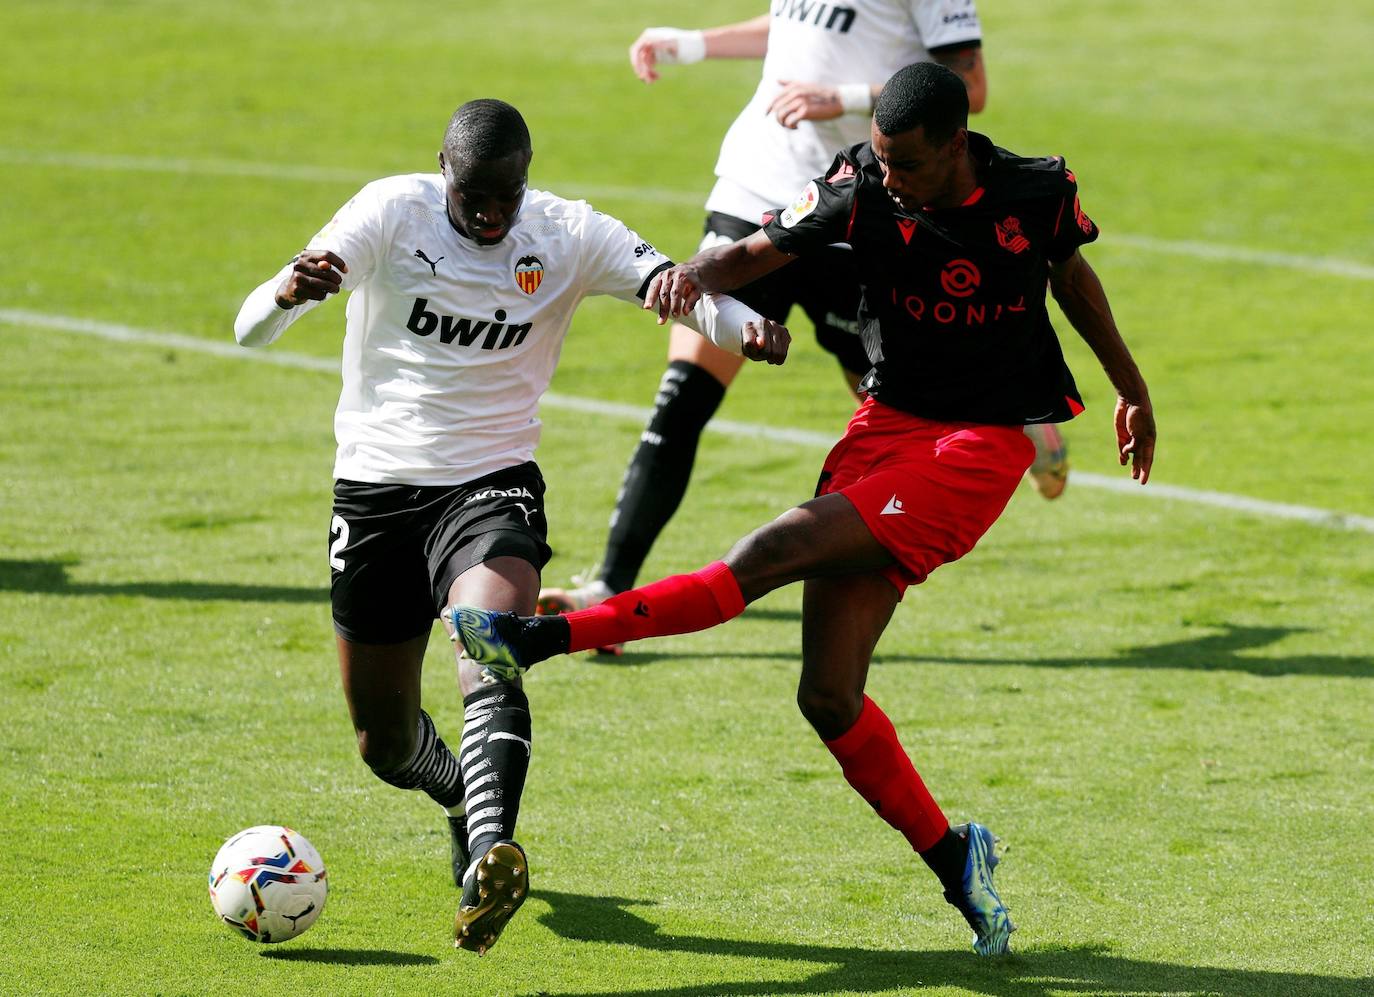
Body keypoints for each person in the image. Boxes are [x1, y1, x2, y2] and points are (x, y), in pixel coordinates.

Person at [452, 63, 1156, 956]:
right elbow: (758, 251)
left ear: (952, 145)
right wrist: (685, 275)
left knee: (774, 547)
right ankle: (956, 861)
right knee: (827, 695)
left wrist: (1131, 390)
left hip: (976, 449)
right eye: (881, 158)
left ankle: (542, 639)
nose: (884, 172)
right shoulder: (863, 183)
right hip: (884, 428)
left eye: (902, 160)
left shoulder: (1035, 190)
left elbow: (1073, 280)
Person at [232, 99, 787, 955]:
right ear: (444, 172)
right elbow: (249, 332)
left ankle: (491, 851)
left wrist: (745, 328)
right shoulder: (390, 210)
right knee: (383, 741)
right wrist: (283, 293)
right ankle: (461, 798)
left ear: (528, 180)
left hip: (492, 486)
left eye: (508, 196)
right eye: (477, 197)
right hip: (376, 493)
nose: (493, 214)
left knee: (487, 636)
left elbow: (676, 288)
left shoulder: (566, 233)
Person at [539, 1, 1063, 637]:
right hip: (756, 193)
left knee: (906, 392)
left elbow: (968, 87)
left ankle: (1024, 423)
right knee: (681, 398)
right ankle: (608, 586)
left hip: (860, 213)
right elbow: (799, 30)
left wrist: (838, 97)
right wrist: (694, 45)